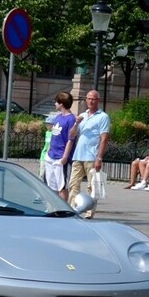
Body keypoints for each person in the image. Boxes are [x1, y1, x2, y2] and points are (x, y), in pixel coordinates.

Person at [67, 90, 110, 219]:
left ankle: (88, 213)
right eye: (89, 99)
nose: (91, 101)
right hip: (78, 155)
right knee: (73, 184)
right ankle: (73, 209)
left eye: (94, 99)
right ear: (86, 100)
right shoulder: (82, 115)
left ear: (98, 101)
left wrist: (99, 157)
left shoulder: (103, 117)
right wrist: (76, 123)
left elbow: (104, 138)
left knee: (92, 187)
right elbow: (71, 135)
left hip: (92, 156)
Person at [44, 92, 76, 201]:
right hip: (51, 155)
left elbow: (70, 140)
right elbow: (54, 136)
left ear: (61, 104)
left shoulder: (71, 119)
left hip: (60, 157)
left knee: (61, 186)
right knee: (51, 186)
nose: (55, 104)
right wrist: (48, 150)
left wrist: (65, 157)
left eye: (57, 102)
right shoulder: (58, 117)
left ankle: (63, 209)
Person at [39, 116, 54, 181]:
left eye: (48, 124)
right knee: (42, 172)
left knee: (49, 173)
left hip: (50, 155)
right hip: (44, 154)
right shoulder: (47, 133)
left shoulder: (55, 133)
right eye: (46, 124)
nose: (46, 125)